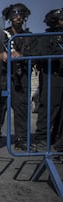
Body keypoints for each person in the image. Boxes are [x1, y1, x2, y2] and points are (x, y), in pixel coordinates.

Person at [0, 3, 37, 151]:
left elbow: (37, 55)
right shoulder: (1, 35)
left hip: (21, 77)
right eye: (14, 14)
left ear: (25, 17)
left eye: (21, 14)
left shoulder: (29, 37)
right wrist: (1, 55)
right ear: (9, 17)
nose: (18, 17)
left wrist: (22, 56)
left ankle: (22, 139)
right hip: (3, 76)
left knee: (21, 109)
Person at [34, 8, 63, 154]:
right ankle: (41, 138)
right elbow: (43, 54)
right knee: (49, 107)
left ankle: (59, 141)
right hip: (53, 76)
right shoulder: (47, 37)